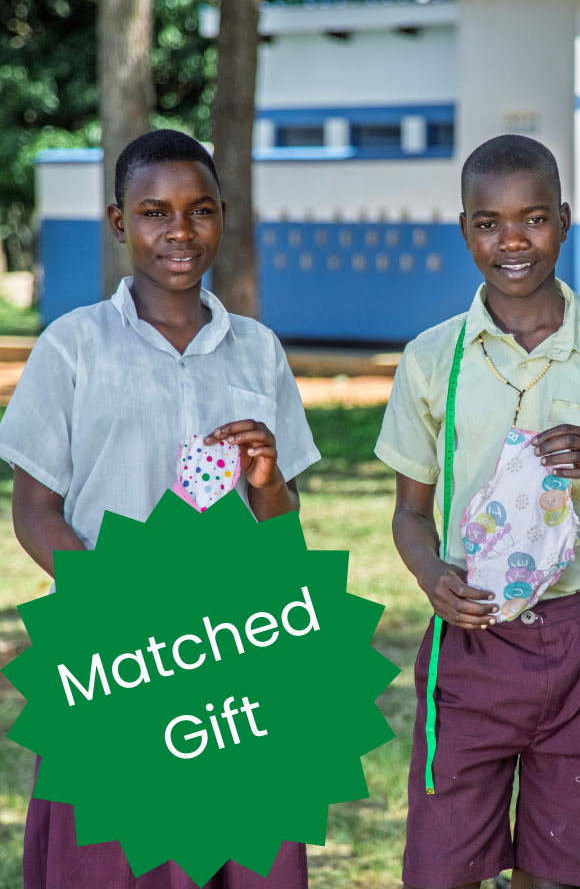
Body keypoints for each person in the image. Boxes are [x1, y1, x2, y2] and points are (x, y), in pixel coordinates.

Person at [2, 129, 320, 888]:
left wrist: (269, 478)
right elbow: (35, 510)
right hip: (115, 652)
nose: (179, 231)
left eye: (199, 209)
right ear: (119, 223)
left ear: (222, 217)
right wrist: (118, 597)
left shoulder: (257, 350)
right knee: (114, 860)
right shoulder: (73, 347)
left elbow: (283, 522)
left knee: (242, 854)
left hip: (236, 647)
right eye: (154, 211)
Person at [375, 134, 580, 889]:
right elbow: (409, 514)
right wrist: (430, 576)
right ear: (465, 229)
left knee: (564, 871)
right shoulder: (433, 359)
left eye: (534, 219)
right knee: (444, 869)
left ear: (566, 220)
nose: (512, 240)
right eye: (489, 222)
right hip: (473, 636)